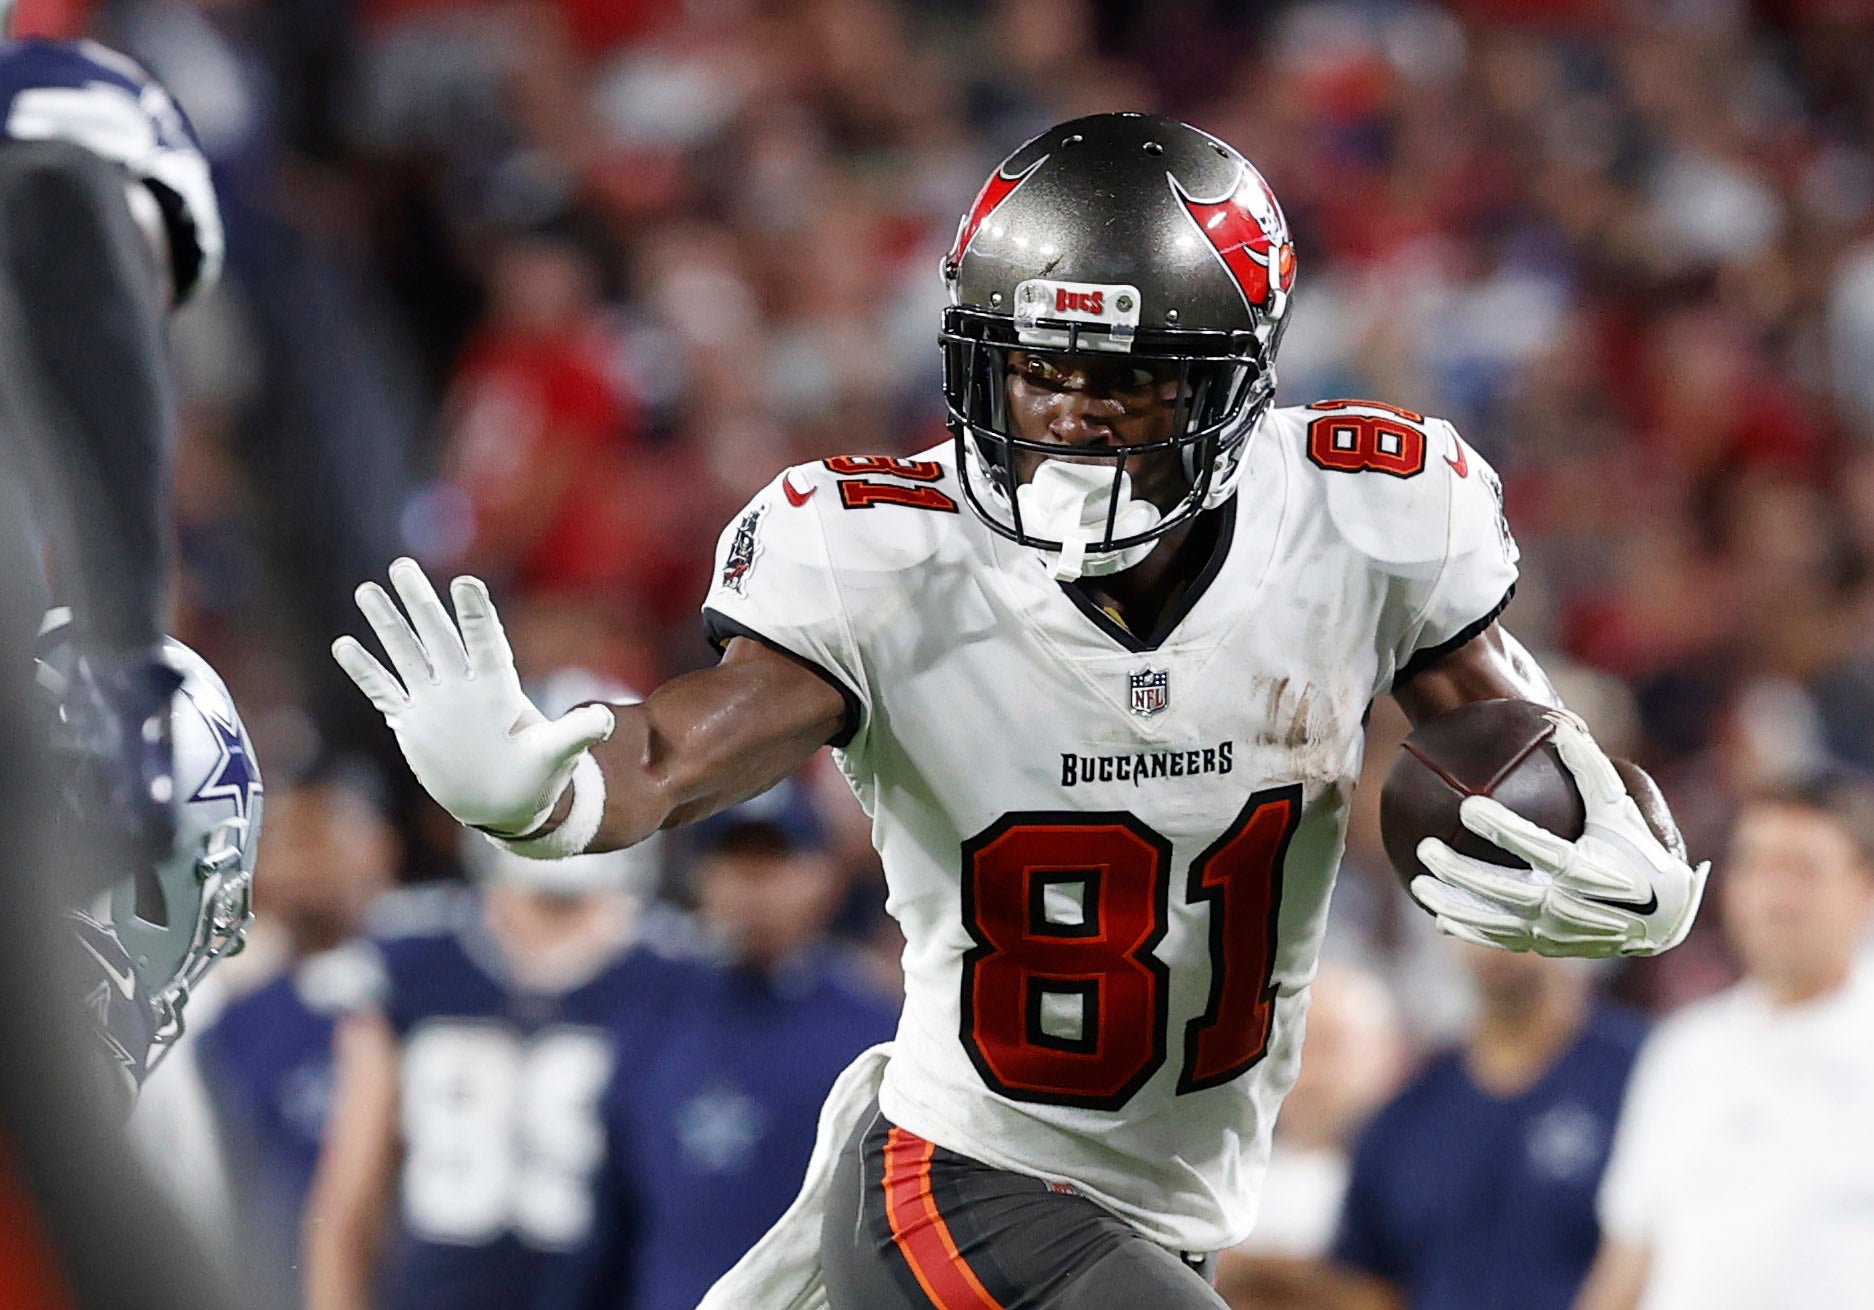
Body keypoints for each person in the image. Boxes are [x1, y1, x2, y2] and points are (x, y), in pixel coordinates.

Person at [334, 113, 1709, 1307]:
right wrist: (548, 793)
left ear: (1235, 379)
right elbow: (676, 745)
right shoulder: (890, 555)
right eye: (1040, 369)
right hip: (963, 1179)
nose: (1071, 414)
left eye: (1128, 379)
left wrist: (1630, 858)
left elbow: (1524, 746)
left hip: (1159, 1216)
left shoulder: (1362, 515)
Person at [301, 693, 685, 1310]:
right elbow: (347, 1204)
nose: (560, 808)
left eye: (575, 787)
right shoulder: (413, 959)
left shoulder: (678, 973)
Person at [1575, 781, 1874, 1310]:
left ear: (1864, 887)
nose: (1777, 898)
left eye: (1805, 871)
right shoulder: (1683, 1050)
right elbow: (1630, 1255)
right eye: (1756, 866)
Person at [611, 780, 899, 1310]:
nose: (753, 888)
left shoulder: (873, 1032)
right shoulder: (654, 1015)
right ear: (700, 877)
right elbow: (613, 1214)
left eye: (774, 863)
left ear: (823, 877)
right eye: (734, 864)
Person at [1315, 944, 1644, 1310]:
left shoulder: (1646, 1077)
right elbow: (1363, 1278)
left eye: (1521, 912)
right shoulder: (1411, 1110)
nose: (1499, 939)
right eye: (1484, 915)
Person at [196, 773, 401, 1305]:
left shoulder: (432, 991)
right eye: (284, 844)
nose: (303, 864)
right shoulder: (233, 1024)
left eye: (323, 838)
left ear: (381, 849)